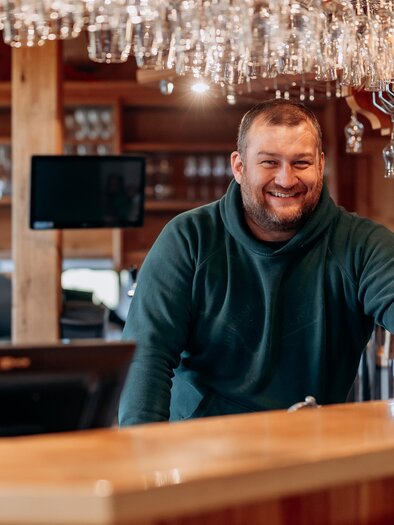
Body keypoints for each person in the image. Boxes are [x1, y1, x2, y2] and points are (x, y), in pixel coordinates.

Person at [119, 98, 394, 426]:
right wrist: (142, 458)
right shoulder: (189, 238)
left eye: (301, 163)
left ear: (321, 164)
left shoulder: (361, 244)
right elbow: (147, 356)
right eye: (269, 162)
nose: (286, 179)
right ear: (239, 167)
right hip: (199, 453)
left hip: (308, 454)